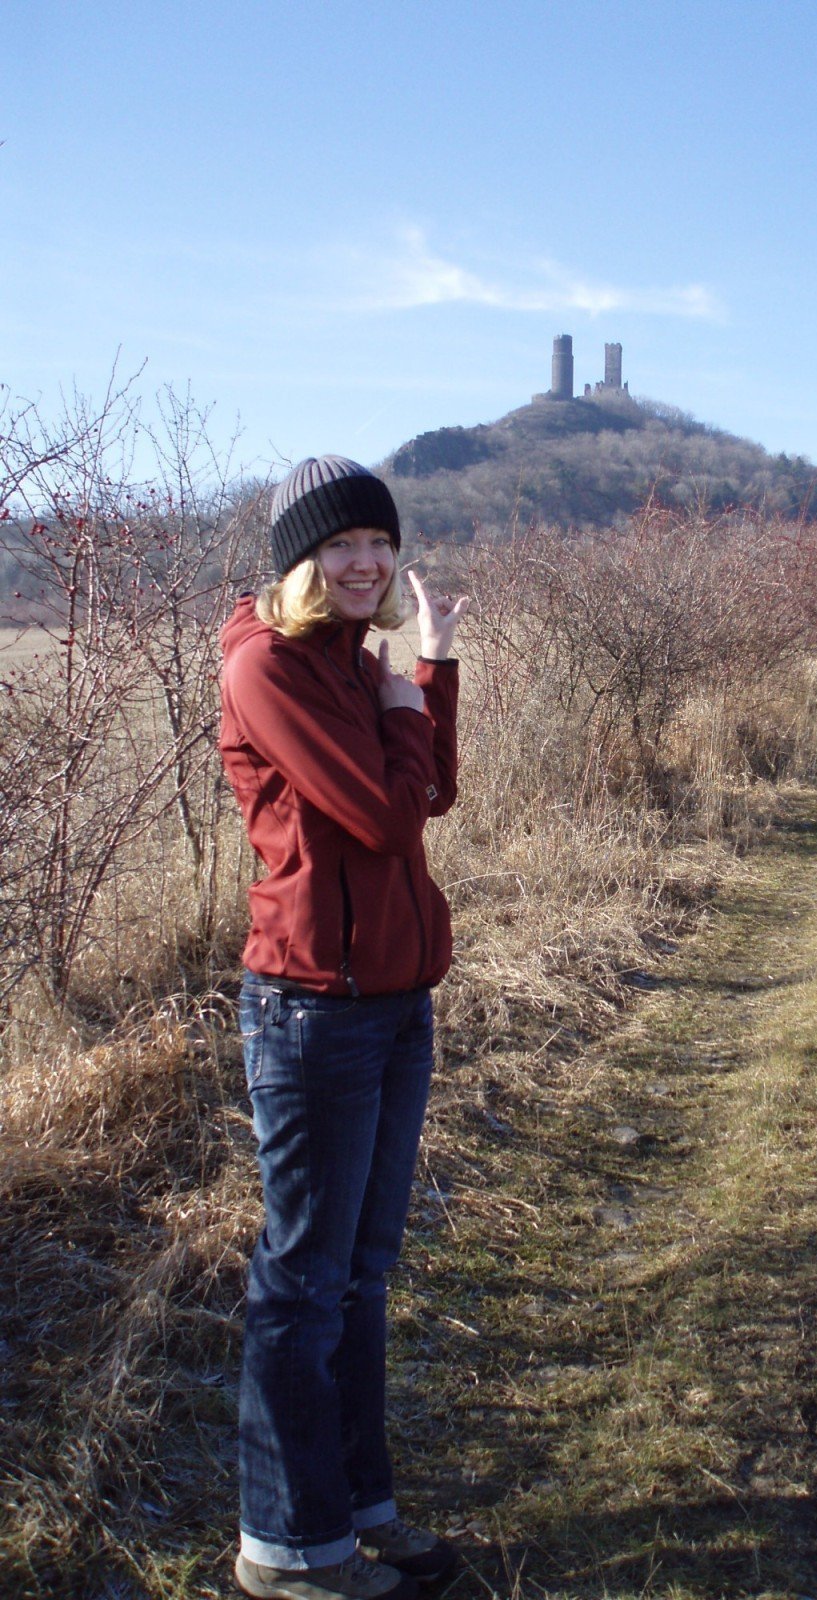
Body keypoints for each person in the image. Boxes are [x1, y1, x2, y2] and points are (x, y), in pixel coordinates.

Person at [218, 455, 468, 1600]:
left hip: (394, 999)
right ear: (300, 561)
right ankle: (289, 1545)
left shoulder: (356, 667)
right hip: (315, 1010)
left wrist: (431, 669)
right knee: (304, 1281)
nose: (367, 562)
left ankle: (361, 1506)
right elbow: (377, 809)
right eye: (344, 545)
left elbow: (430, 793)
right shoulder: (267, 667)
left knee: (361, 1276)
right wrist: (405, 706)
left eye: (380, 542)